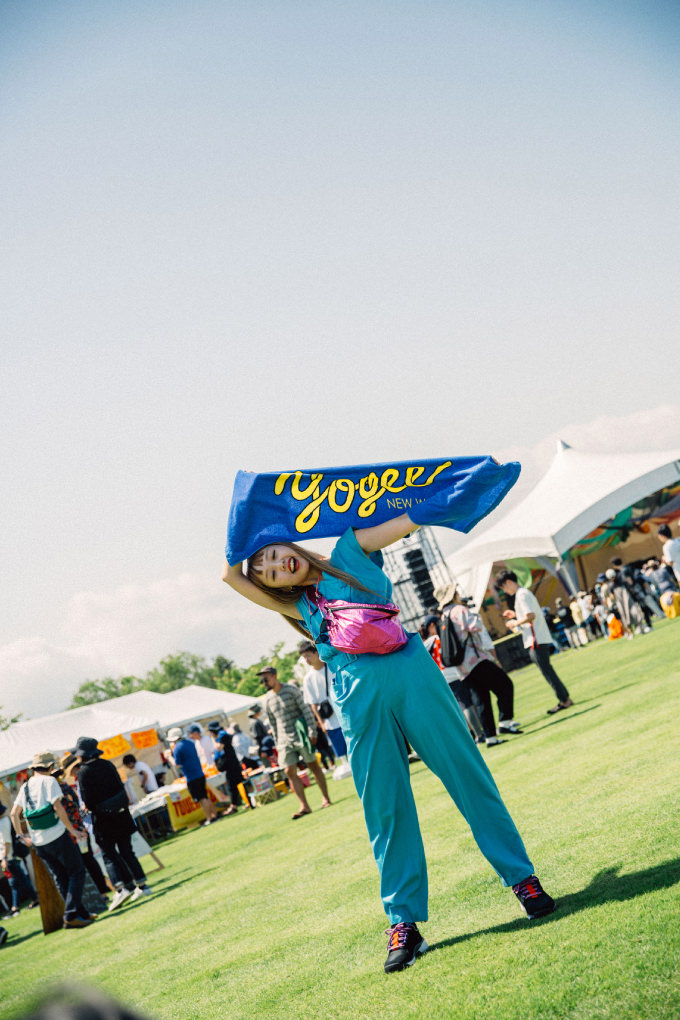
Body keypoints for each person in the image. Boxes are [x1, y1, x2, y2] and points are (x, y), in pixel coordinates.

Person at [223, 513, 556, 973]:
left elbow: (408, 520)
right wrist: (243, 531)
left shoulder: (348, 554)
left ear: (288, 543)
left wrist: (439, 495)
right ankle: (404, 923)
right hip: (356, 699)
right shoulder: (300, 606)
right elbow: (229, 575)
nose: (278, 566)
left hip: (412, 674)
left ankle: (523, 880)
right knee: (384, 809)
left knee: (468, 776)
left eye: (274, 555)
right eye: (269, 573)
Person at [10, 751, 92, 929]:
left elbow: (13, 814)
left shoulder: (25, 786)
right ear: (50, 766)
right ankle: (71, 914)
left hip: (38, 841)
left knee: (60, 877)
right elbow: (58, 807)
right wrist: (72, 830)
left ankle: (81, 914)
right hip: (57, 835)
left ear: (34, 768)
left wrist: (21, 836)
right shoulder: (49, 781)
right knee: (77, 871)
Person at [75, 737, 152, 911]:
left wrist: (89, 807)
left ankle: (120, 888)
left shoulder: (84, 772)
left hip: (103, 820)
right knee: (127, 851)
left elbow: (88, 800)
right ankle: (142, 885)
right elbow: (119, 787)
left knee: (108, 855)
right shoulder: (108, 764)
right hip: (121, 815)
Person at [440, 589, 522, 746]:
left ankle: (490, 737)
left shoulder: (444, 616)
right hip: (475, 659)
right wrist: (473, 614)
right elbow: (475, 626)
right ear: (453, 596)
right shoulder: (459, 610)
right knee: (505, 685)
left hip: (462, 666)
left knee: (481, 700)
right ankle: (505, 721)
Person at [257, 666, 332, 819]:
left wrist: (312, 731)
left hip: (300, 734)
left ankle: (326, 798)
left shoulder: (291, 690)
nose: (264, 683)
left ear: (274, 676)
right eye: (262, 680)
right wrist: (277, 742)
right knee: (289, 771)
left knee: (313, 765)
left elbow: (306, 710)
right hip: (284, 739)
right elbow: (272, 723)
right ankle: (304, 806)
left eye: (266, 679)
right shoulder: (267, 700)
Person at [495, 570, 573, 715]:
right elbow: (529, 614)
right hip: (537, 637)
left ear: (509, 582)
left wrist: (514, 623)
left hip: (535, 639)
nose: (504, 591)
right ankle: (564, 697)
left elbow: (530, 616)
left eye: (503, 587)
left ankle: (564, 699)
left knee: (547, 671)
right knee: (547, 670)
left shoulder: (521, 595)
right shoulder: (523, 593)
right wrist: (515, 615)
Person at [51, 757, 109, 899]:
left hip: (71, 833)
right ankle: (102, 890)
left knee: (81, 865)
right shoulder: (66, 787)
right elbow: (78, 807)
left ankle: (97, 893)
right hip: (80, 829)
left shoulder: (57, 792)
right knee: (89, 861)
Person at [299, 640, 351, 771]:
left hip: (345, 711)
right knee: (339, 747)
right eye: (304, 657)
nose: (306, 660)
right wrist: (321, 723)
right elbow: (313, 704)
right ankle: (346, 766)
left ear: (316, 653)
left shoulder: (332, 666)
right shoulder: (308, 679)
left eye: (308, 655)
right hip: (329, 718)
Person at [167, 728, 218, 825]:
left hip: (191, 776)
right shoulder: (190, 743)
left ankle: (209, 818)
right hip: (200, 773)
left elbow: (177, 764)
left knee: (202, 798)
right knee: (205, 796)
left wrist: (169, 757)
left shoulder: (177, 748)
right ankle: (214, 815)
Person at [0, 802, 39, 916]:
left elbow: (7, 842)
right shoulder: (4, 821)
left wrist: (4, 858)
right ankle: (16, 906)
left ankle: (26, 902)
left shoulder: (3, 823)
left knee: (17, 880)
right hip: (9, 857)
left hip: (10, 857)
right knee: (15, 881)